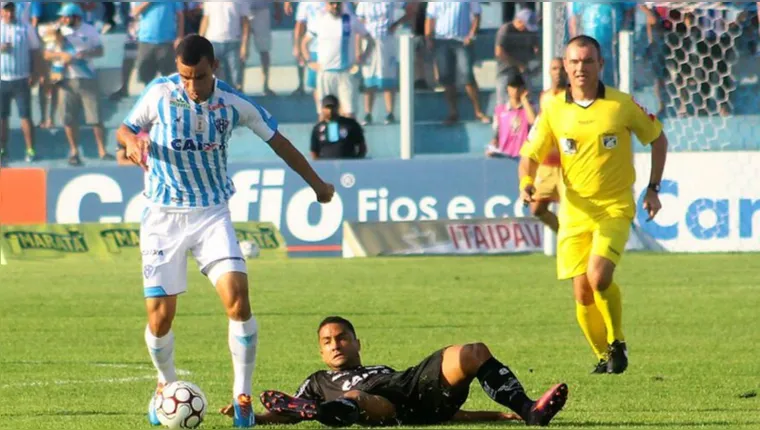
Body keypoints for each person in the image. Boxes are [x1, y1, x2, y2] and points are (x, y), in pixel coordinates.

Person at [115, 34, 335, 428]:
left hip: (211, 214)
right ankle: (165, 386)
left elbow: (280, 143)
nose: (191, 86)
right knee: (160, 317)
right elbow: (125, 129)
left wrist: (317, 184)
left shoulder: (233, 102)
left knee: (237, 298)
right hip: (163, 217)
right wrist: (131, 142)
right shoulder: (160, 93)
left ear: (214, 68)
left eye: (198, 77)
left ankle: (242, 397)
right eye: (184, 77)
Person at [518, 36, 668, 374]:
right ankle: (604, 356)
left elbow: (658, 138)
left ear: (600, 65)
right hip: (573, 212)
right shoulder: (554, 107)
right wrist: (526, 183)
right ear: (565, 66)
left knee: (598, 277)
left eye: (587, 61)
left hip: (614, 207)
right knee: (582, 293)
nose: (580, 68)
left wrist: (653, 187)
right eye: (574, 62)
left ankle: (617, 341)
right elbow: (529, 154)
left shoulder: (620, 104)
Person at [244, 316, 568, 427]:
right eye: (327, 341)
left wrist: (496, 416)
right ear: (320, 351)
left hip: (409, 387)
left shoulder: (380, 368)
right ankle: (325, 411)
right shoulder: (318, 380)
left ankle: (529, 410)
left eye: (342, 337)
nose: (335, 345)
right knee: (357, 396)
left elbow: (450, 417)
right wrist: (251, 417)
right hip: (382, 409)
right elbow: (284, 412)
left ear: (358, 342)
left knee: (474, 352)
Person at [301, 1, 374, 120]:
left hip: (346, 73)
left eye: (338, 3)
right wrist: (309, 62)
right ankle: (325, 138)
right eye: (332, 3)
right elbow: (304, 43)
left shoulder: (350, 20)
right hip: (326, 73)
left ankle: (350, 137)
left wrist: (362, 59)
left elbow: (370, 40)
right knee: (325, 113)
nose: (335, 6)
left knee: (349, 113)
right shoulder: (319, 20)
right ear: (327, 4)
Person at [529, 57, 568, 234]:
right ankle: (564, 235)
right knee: (537, 209)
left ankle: (575, 242)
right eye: (554, 68)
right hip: (547, 164)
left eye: (561, 68)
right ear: (549, 72)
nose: (558, 72)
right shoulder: (545, 96)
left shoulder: (574, 96)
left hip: (568, 164)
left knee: (571, 211)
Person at [0, 1, 40, 163]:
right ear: (2, 12)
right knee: (2, 117)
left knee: (25, 116)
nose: (10, 14)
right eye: (6, 11)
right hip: (2, 79)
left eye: (12, 10)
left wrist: (35, 73)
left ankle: (30, 149)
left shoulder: (26, 27)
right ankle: (3, 149)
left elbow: (35, 50)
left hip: (22, 78)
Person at [487, 73, 535, 159]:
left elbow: (533, 122)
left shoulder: (530, 108)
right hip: (505, 156)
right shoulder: (500, 110)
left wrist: (524, 101)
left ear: (523, 89)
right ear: (507, 89)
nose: (516, 90)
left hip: (524, 157)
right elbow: (497, 132)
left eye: (518, 87)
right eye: (513, 86)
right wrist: (493, 143)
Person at [311, 95, 367, 160]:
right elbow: (314, 151)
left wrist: (357, 161)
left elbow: (362, 146)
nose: (330, 110)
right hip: (326, 166)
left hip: (348, 165)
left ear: (338, 107)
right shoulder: (317, 128)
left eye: (333, 107)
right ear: (322, 109)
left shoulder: (351, 124)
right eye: (327, 108)